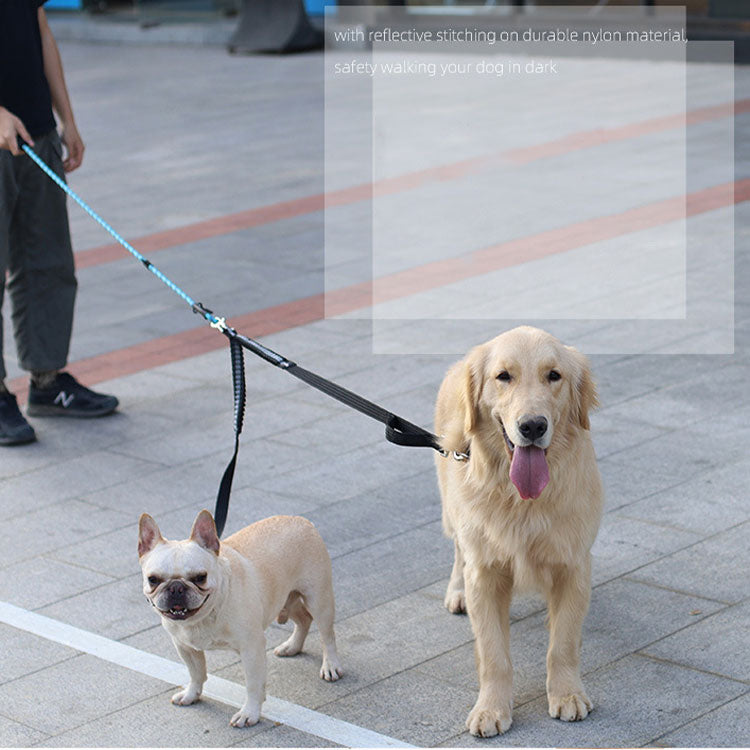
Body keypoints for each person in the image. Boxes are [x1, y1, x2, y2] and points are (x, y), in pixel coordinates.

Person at [0, 0, 118, 446]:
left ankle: (47, 383)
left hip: (35, 133)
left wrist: (66, 117)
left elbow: (40, 26)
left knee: (46, 262)